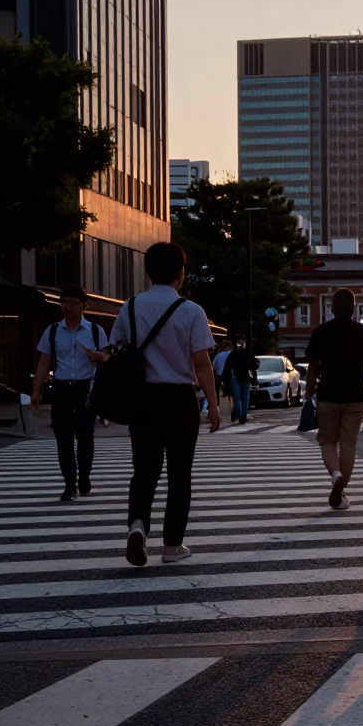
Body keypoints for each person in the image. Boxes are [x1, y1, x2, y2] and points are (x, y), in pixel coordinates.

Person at [111, 242, 220, 566]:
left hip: (142, 399)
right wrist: (213, 405)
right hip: (178, 399)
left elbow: (116, 349)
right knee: (179, 474)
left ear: (147, 272)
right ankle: (172, 545)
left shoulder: (129, 307)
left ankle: (138, 525)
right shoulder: (190, 311)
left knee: (144, 471)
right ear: (180, 273)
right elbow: (201, 362)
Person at [30, 286, 110, 501]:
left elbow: (108, 356)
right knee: (63, 438)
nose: (68, 307)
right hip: (61, 387)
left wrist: (99, 357)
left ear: (84, 305)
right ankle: (69, 484)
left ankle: (83, 474)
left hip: (86, 388)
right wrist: (36, 391)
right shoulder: (53, 330)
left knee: (85, 437)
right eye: (64, 302)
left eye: (73, 303)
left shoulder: (95, 330)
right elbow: (44, 361)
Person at [303, 289, 363, 509]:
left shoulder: (321, 332)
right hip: (355, 395)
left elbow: (312, 367)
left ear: (332, 308)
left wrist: (308, 393)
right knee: (349, 444)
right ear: (354, 308)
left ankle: (335, 474)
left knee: (327, 441)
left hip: (328, 394)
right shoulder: (362, 332)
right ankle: (342, 489)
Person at [223, 335, 258, 424]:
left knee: (237, 398)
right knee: (245, 398)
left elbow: (227, 367)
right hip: (245, 378)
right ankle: (243, 417)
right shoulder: (248, 353)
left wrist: (225, 378)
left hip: (235, 377)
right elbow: (254, 366)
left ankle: (237, 413)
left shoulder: (233, 353)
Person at [211, 339, 233, 416]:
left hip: (219, 376)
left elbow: (214, 367)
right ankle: (233, 409)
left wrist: (216, 375)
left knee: (217, 393)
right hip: (230, 375)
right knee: (231, 394)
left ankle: (217, 408)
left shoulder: (218, 355)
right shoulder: (232, 353)